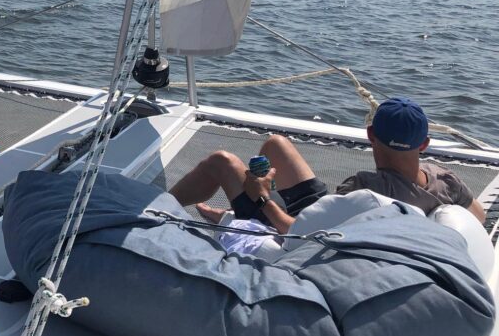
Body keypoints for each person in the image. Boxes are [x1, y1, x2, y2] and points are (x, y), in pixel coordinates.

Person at [169, 96, 485, 235]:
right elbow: (478, 218)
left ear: (370, 135)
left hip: (294, 225)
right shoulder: (446, 181)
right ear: (424, 144)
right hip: (324, 209)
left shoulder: (366, 189)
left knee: (221, 161)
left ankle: (158, 207)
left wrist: (262, 198)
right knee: (276, 145)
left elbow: (302, 232)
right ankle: (241, 210)